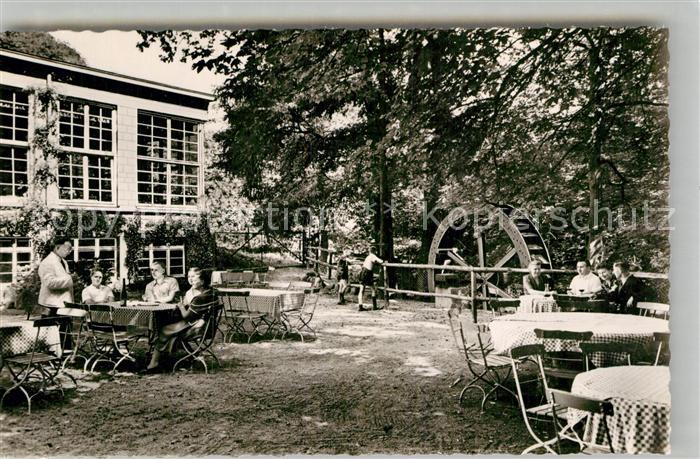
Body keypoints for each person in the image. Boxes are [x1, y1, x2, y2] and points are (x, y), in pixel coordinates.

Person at [146, 267, 216, 371]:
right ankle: (190, 355)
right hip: (206, 325)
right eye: (188, 276)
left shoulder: (200, 297)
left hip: (196, 327)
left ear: (202, 280)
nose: (190, 279)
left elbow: (186, 315)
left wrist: (181, 306)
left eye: (193, 276)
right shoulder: (210, 292)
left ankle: (154, 362)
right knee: (167, 324)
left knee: (163, 330)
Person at [38, 236, 74, 308]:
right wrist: (69, 279)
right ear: (57, 248)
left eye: (71, 250)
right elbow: (50, 283)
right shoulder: (47, 262)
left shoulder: (63, 262)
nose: (69, 252)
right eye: (68, 249)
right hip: (51, 305)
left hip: (62, 304)